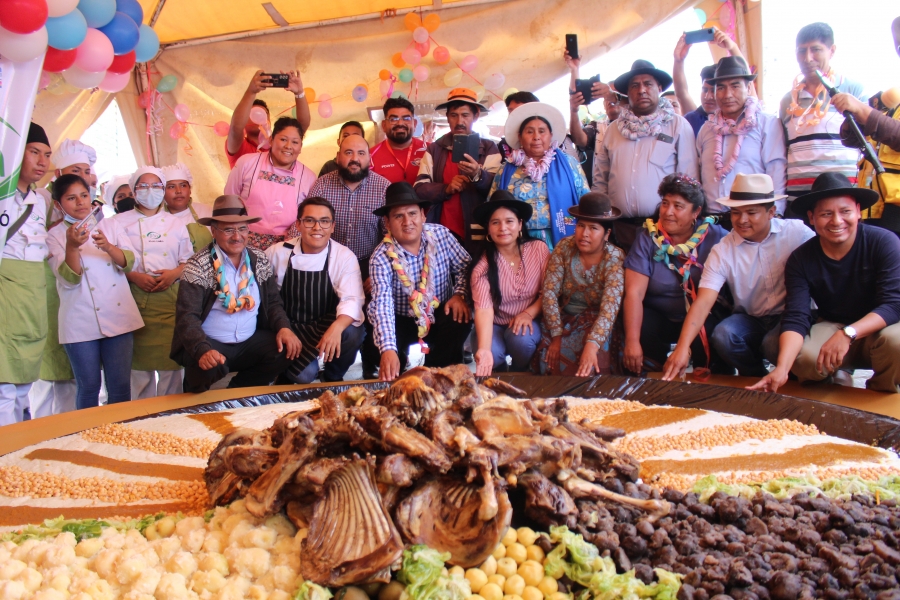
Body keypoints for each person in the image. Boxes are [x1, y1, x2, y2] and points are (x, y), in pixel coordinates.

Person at [750, 173, 900, 394]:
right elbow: (797, 316)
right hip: (833, 324)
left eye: (845, 211)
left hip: (879, 327)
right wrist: (782, 369)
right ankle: (830, 394)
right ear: (811, 218)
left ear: (858, 211)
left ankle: (881, 394)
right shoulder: (801, 258)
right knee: (802, 357)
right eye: (826, 214)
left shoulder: (884, 242)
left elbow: (893, 305)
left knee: (896, 342)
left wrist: (848, 333)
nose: (837, 221)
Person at [661, 174, 814, 380]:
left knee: (773, 344)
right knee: (724, 335)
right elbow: (703, 302)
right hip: (751, 319)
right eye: (736, 212)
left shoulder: (797, 233)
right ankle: (755, 378)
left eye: (751, 212)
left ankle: (794, 380)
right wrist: (682, 348)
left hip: (791, 316)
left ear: (771, 212)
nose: (742, 220)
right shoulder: (723, 250)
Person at [172, 195, 301, 392]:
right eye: (228, 230)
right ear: (214, 231)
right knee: (207, 365)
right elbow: (187, 317)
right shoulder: (197, 266)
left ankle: (238, 391)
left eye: (242, 228)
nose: (237, 236)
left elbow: (273, 302)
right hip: (211, 342)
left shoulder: (259, 259)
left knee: (285, 349)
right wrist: (202, 349)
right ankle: (194, 392)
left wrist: (284, 327)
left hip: (248, 341)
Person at [47, 174, 143, 409]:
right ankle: (88, 431)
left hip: (117, 314)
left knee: (120, 386)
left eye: (83, 195)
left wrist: (108, 247)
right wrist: (72, 246)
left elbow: (130, 262)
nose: (80, 202)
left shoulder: (110, 225)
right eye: (71, 198)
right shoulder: (54, 235)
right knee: (89, 386)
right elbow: (69, 279)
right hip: (79, 319)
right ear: (58, 204)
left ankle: (120, 430)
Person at [622, 174, 728, 375]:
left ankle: (709, 378)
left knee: (709, 330)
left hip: (702, 315)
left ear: (696, 211)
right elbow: (634, 293)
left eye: (678, 206)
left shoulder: (717, 237)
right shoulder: (647, 238)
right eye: (665, 203)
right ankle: (654, 377)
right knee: (642, 326)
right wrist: (632, 342)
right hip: (659, 316)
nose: (668, 212)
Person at [365, 182, 471, 381]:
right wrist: (388, 349)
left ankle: (438, 370)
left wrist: (459, 294)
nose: (407, 222)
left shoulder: (441, 235)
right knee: (377, 345)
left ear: (423, 215)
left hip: (439, 313)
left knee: (460, 317)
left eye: (412, 213)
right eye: (398, 216)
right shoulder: (380, 257)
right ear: (387, 223)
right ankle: (398, 365)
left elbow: (465, 266)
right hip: (401, 319)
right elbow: (382, 304)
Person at [593, 59, 698, 251]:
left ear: (659, 87)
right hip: (621, 230)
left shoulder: (678, 125)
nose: (641, 90)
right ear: (627, 92)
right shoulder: (613, 130)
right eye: (635, 85)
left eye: (648, 84)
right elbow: (600, 181)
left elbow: (689, 183)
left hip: (664, 231)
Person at [266, 197, 366, 383]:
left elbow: (352, 299)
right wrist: (282, 327)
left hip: (324, 324)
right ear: (298, 224)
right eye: (309, 221)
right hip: (289, 326)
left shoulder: (343, 256)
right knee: (303, 376)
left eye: (324, 221)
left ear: (333, 226)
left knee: (353, 332)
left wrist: (336, 328)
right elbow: (265, 296)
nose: (317, 227)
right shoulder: (277, 253)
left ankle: (333, 375)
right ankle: (287, 371)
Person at [115, 166, 193, 399]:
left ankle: (171, 416)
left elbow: (188, 261)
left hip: (170, 299)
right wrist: (134, 276)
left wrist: (174, 274)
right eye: (144, 186)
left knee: (172, 367)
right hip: (133, 298)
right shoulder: (118, 222)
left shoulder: (175, 223)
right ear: (133, 191)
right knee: (139, 370)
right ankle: (143, 414)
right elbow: (109, 262)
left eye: (156, 186)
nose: (151, 191)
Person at [535, 192, 624, 377]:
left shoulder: (615, 258)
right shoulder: (564, 248)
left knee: (595, 359)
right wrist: (556, 336)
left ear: (607, 234)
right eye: (581, 226)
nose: (584, 234)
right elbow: (550, 293)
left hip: (598, 324)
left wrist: (592, 345)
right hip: (563, 320)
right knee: (552, 358)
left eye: (593, 228)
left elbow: (610, 308)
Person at [779, 22, 867, 203]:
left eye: (816, 49)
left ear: (832, 51)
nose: (807, 58)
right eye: (801, 51)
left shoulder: (853, 90)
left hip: (842, 197)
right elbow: (783, 149)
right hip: (799, 199)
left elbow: (869, 139)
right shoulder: (788, 100)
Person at [0, 123, 52, 425]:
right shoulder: (3, 197)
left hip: (32, 297)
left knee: (23, 385)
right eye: (34, 152)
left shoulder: (39, 201)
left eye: (47, 155)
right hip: (6, 295)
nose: (42, 162)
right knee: (4, 387)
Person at [470, 191, 550, 375]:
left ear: (520, 224)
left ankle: (521, 371)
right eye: (495, 222)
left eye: (509, 221)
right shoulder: (482, 266)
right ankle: (498, 375)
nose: (503, 228)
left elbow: (549, 292)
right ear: (488, 228)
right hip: (495, 324)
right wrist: (484, 349)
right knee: (491, 353)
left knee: (521, 340)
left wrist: (528, 313)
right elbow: (484, 309)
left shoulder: (538, 249)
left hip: (529, 320)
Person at [697, 56, 787, 218]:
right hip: (711, 220)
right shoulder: (706, 129)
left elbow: (776, 170)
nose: (727, 94)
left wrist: (776, 214)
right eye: (721, 87)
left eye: (735, 86)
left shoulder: (766, 123)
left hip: (752, 219)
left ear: (748, 87)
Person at [491, 102, 590, 248]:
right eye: (529, 132)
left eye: (542, 131)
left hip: (562, 241)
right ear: (520, 137)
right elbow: (493, 205)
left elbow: (586, 202)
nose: (536, 137)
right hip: (518, 243)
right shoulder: (507, 169)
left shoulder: (570, 164)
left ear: (551, 136)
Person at [415, 88, 501, 253]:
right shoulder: (434, 149)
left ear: (475, 116)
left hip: (480, 231)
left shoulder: (489, 147)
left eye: (465, 115)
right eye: (454, 115)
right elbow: (419, 188)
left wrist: (478, 175)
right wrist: (446, 188)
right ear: (447, 117)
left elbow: (498, 189)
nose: (459, 121)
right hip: (442, 232)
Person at [306, 134, 390, 280]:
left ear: (369, 158)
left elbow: (390, 235)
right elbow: (306, 223)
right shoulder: (322, 185)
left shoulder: (383, 188)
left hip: (369, 265)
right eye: (348, 152)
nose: (354, 159)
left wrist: (379, 272)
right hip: (326, 263)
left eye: (361, 153)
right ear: (338, 157)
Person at [225, 116, 316, 250]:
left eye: (295, 142)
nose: (288, 146)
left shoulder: (309, 177)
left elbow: (308, 217)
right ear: (271, 140)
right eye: (283, 139)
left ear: (301, 147)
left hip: (285, 249)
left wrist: (286, 248)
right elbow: (229, 200)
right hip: (242, 244)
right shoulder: (247, 163)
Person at [226, 70, 311, 168]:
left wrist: (299, 93)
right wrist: (251, 92)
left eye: (264, 114)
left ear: (269, 121)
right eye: (253, 113)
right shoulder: (239, 147)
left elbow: (301, 127)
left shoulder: (278, 145)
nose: (259, 117)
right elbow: (235, 128)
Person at [673, 27, 746, 136]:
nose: (708, 96)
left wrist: (732, 47)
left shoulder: (744, 117)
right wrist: (678, 60)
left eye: (714, 90)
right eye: (705, 90)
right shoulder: (693, 118)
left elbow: (745, 80)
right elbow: (681, 93)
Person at [370, 98, 428, 186]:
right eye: (393, 119)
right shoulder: (370, 156)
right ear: (384, 125)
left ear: (415, 124)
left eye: (406, 118)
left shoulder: (430, 151)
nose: (400, 123)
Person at [162, 162, 213, 252]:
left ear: (190, 190)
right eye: (171, 187)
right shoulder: (156, 218)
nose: (178, 191)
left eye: (183, 185)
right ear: (162, 192)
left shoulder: (207, 211)